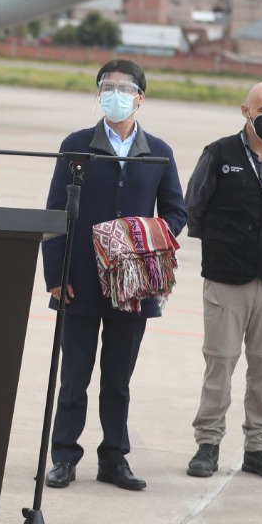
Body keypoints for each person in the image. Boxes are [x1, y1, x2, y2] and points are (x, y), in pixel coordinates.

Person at [42, 60, 186, 493]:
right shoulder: (76, 146)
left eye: (125, 88)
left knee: (118, 380)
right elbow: (54, 212)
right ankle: (64, 456)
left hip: (133, 286)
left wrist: (143, 235)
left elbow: (177, 212)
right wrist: (55, 274)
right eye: (108, 87)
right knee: (74, 377)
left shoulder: (158, 152)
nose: (115, 94)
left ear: (140, 97)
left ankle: (114, 458)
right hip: (80, 280)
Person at [183, 82, 262, 482]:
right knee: (219, 363)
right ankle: (208, 444)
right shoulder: (218, 154)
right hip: (227, 278)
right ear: (245, 111)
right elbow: (194, 208)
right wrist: (229, 244)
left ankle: (258, 448)